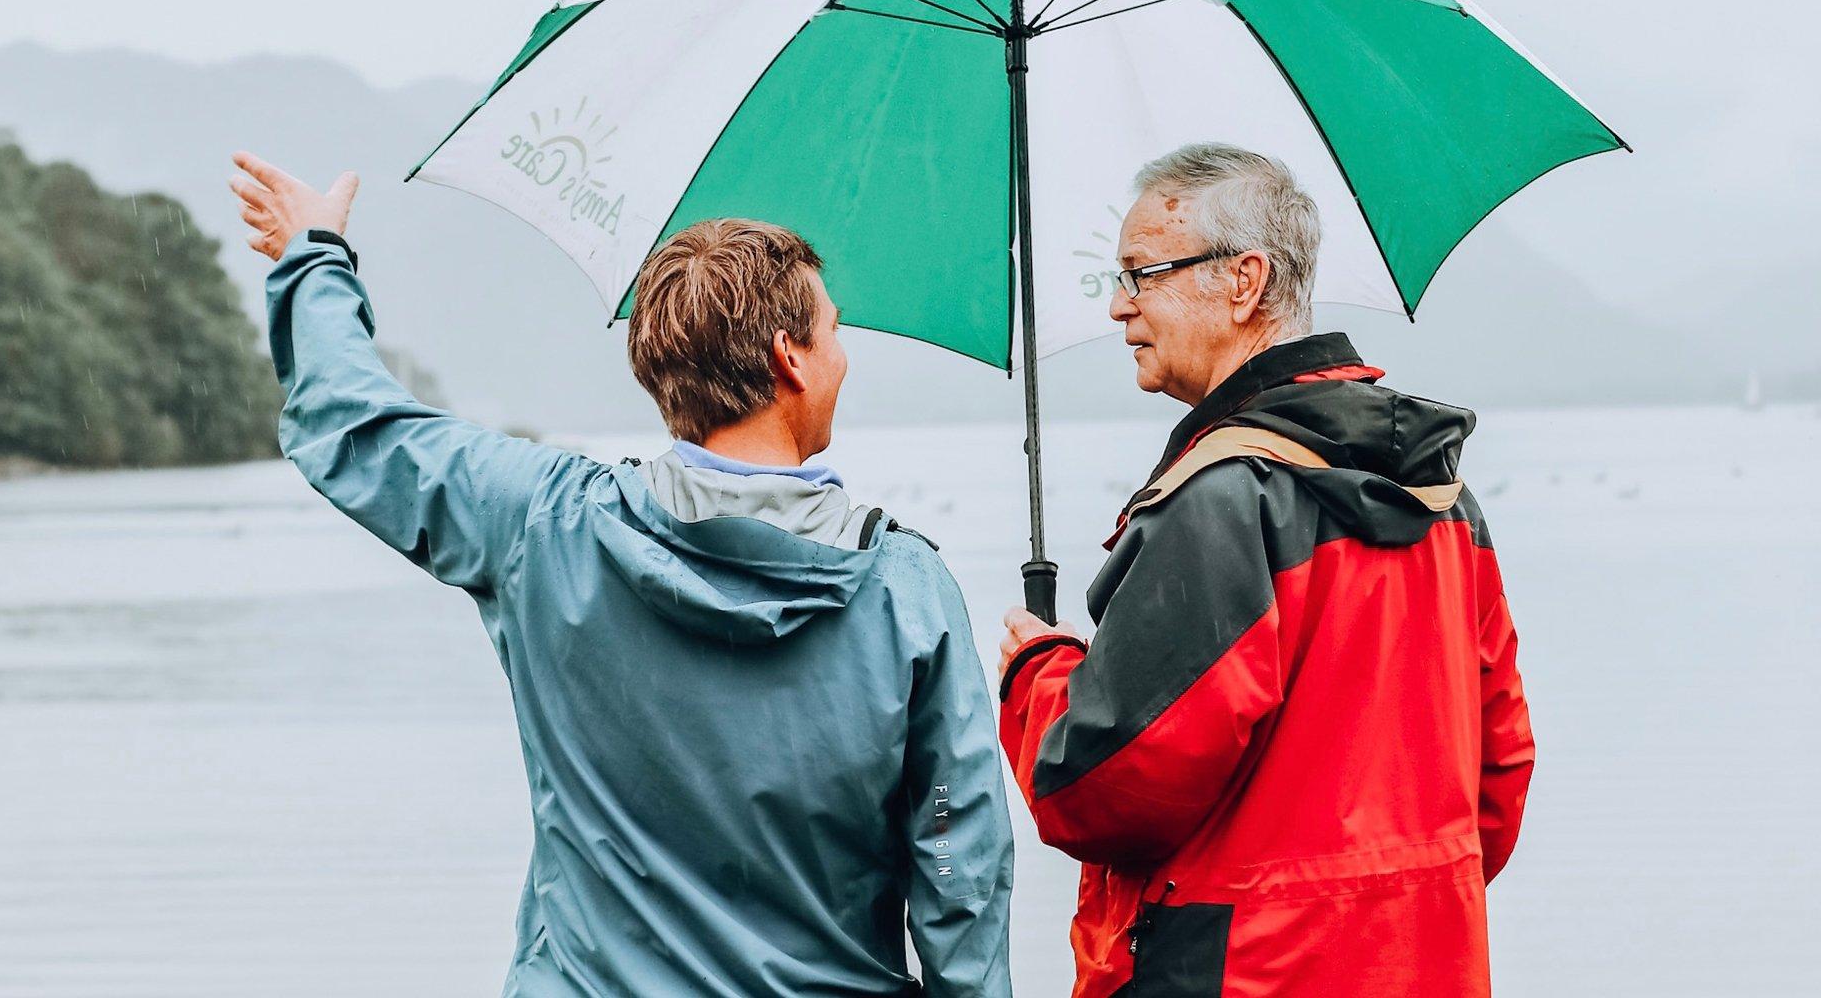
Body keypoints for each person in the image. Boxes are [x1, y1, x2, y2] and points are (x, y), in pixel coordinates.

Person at [228, 152, 1013, 998]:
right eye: (834, 330)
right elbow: (956, 863)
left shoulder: (540, 523)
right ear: (790, 356)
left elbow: (352, 426)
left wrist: (314, 255)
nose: (843, 356)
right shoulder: (904, 589)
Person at [996, 144, 1533, 997]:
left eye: (1142, 273)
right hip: (1428, 963)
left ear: (1243, 281)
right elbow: (1495, 782)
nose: (1119, 309)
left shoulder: (1222, 501)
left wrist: (1039, 674)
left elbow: (1106, 787)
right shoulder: (1444, 499)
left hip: (1234, 974)